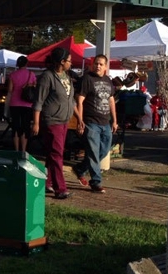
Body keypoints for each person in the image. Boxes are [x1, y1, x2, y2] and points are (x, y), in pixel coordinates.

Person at [31, 47, 77, 199]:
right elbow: (38, 101)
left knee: (54, 153)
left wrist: (79, 118)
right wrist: (36, 123)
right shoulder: (47, 77)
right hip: (51, 120)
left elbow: (72, 100)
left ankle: (47, 183)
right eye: (69, 60)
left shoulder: (67, 76)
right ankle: (60, 188)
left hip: (64, 120)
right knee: (57, 154)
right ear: (62, 62)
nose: (71, 63)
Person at [72, 54, 118, 193]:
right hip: (91, 122)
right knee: (93, 152)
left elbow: (111, 101)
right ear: (92, 64)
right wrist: (80, 120)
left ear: (105, 66)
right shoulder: (87, 79)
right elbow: (79, 100)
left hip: (105, 122)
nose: (98, 66)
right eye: (96, 63)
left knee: (104, 151)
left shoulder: (108, 80)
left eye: (101, 64)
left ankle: (80, 169)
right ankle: (96, 182)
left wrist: (115, 120)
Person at [6, 56, 36, 152]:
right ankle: (23, 150)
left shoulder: (12, 75)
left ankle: (16, 149)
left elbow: (10, 90)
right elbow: (35, 86)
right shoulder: (31, 74)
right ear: (26, 64)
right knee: (25, 126)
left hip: (14, 103)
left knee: (15, 126)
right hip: (27, 104)